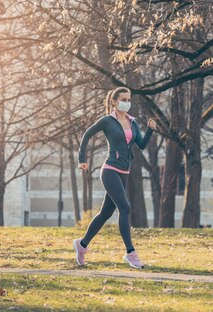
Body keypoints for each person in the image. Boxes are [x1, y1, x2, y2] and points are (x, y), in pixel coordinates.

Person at [72, 86, 156, 269]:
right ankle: (130, 253)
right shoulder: (107, 121)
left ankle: (82, 244)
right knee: (125, 208)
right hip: (110, 170)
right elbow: (87, 135)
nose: (127, 103)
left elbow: (140, 145)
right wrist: (81, 159)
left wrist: (150, 130)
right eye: (123, 99)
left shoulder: (132, 122)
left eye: (129, 99)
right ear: (114, 101)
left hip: (124, 172)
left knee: (105, 213)